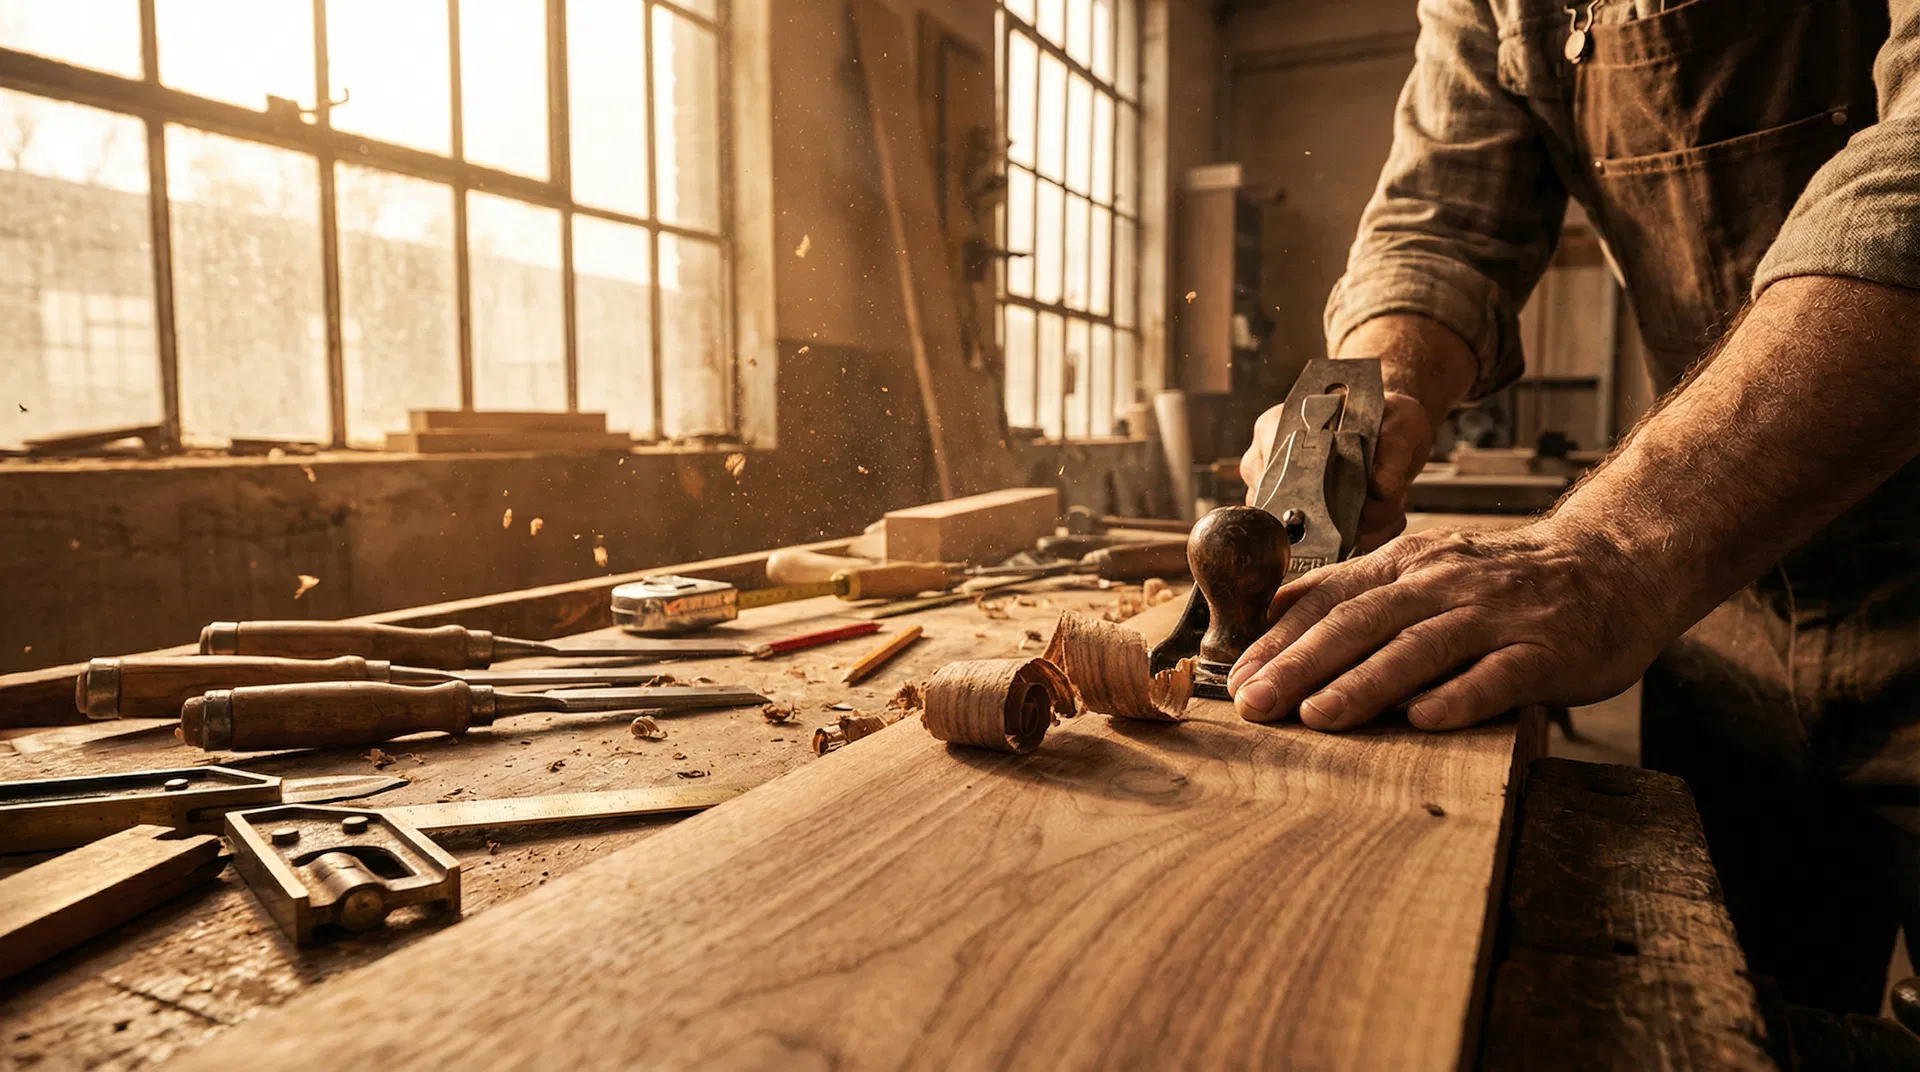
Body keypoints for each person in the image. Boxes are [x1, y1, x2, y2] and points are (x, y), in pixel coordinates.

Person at [1226, 0, 1920, 1014]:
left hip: (1724, 557)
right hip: (1720, 612)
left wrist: (1620, 548)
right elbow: (1442, 219)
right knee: (1752, 1000)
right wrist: (1375, 389)